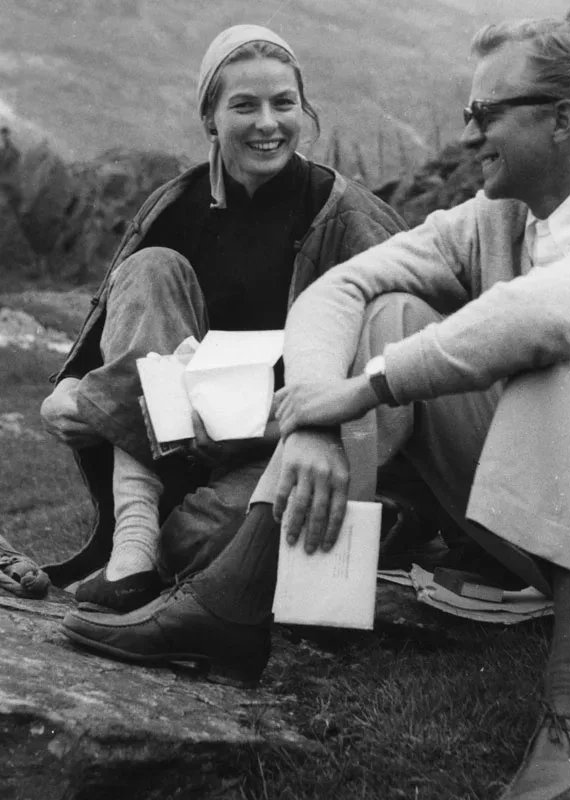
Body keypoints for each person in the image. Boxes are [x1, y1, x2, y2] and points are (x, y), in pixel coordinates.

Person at [60, 17, 570, 800]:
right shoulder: (495, 217)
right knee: (391, 312)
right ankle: (234, 601)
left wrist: (370, 387)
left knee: (556, 346)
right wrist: (311, 417)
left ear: (562, 118)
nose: (470, 134)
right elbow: (346, 287)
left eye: (485, 113)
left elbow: (551, 316)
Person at [39, 24, 407, 612]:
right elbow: (114, 318)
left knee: (196, 541)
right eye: (244, 105)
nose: (268, 123)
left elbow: (396, 364)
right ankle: (132, 545)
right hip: (176, 448)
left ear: (303, 110)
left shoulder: (346, 218)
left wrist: (263, 431)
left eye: (284, 103)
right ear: (210, 119)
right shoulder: (175, 204)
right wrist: (63, 391)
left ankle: (154, 546)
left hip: (292, 444)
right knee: (152, 268)